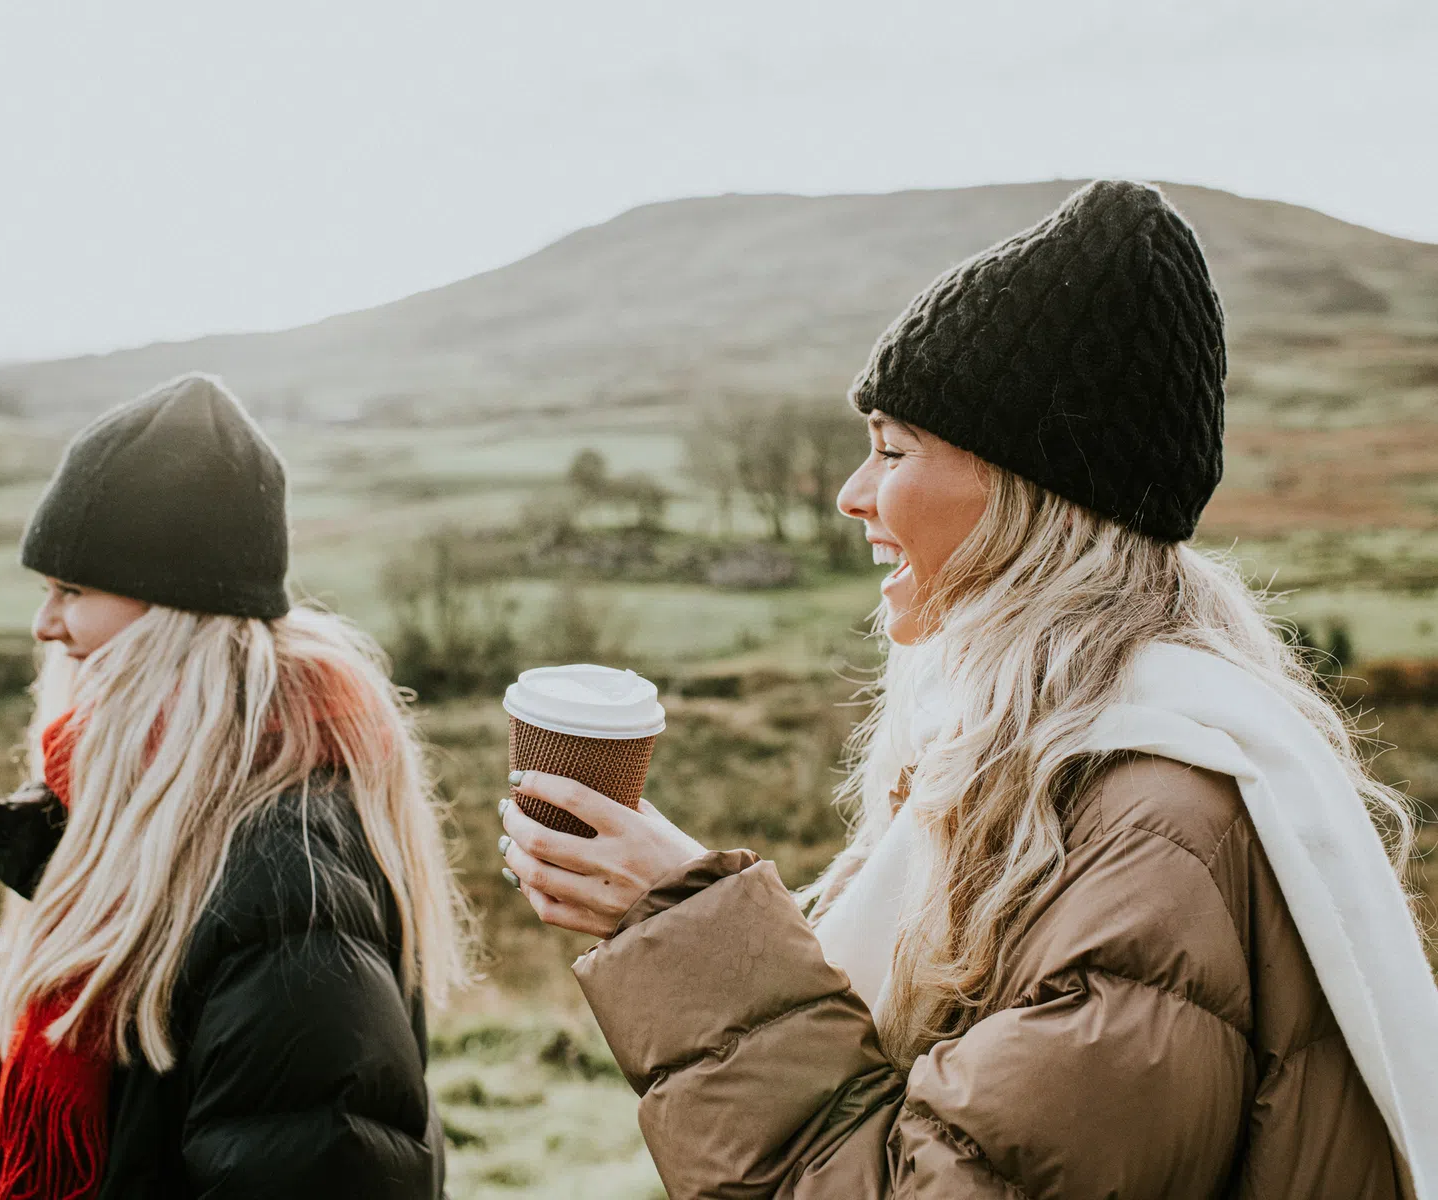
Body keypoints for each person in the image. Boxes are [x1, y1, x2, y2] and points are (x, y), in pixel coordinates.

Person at [499, 181, 1434, 1196]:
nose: (855, 495)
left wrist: (689, 934)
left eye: (895, 451)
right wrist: (673, 907)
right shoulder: (1051, 770)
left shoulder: (1150, 841)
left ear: (1031, 501)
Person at [0, 373, 471, 1199]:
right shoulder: (162, 812)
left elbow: (305, 1158)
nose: (45, 625)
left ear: (173, 613)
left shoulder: (288, 890)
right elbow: (138, 1115)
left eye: (71, 590)